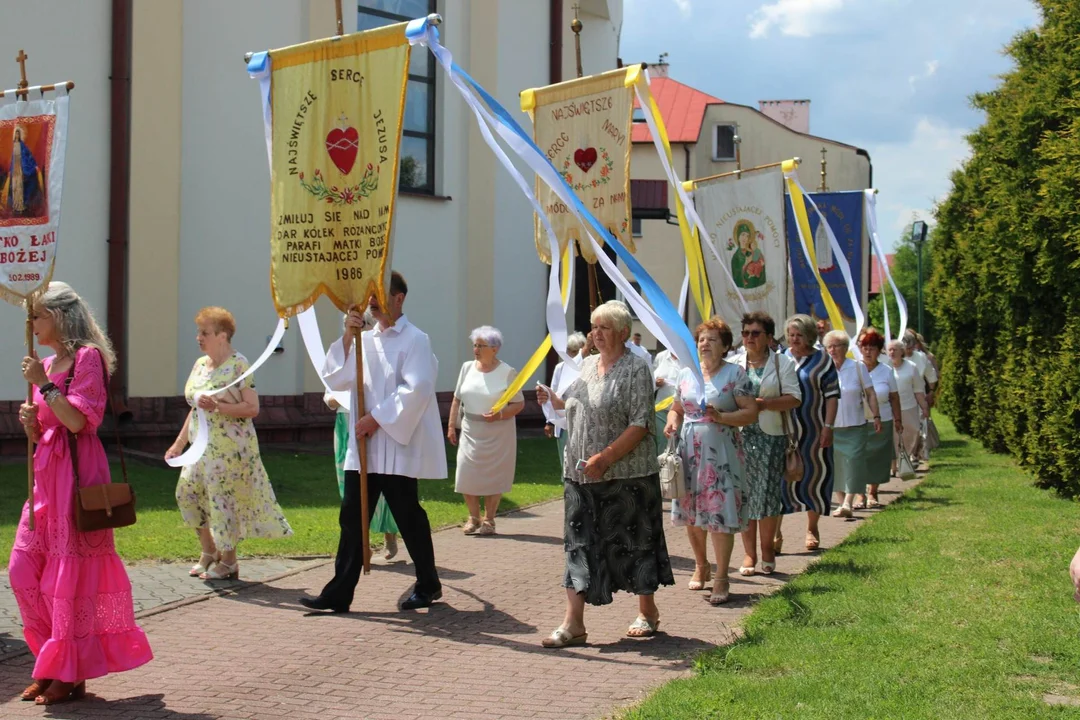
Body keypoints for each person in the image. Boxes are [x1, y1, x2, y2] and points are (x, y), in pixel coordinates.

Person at [13, 282, 152, 705]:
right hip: (44, 476)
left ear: (59, 316)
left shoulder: (87, 358)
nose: (32, 324)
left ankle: (69, 674)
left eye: (38, 315)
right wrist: (30, 423)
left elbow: (78, 422)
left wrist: (46, 387)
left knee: (66, 580)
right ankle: (52, 662)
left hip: (77, 477)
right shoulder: (49, 361)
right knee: (23, 572)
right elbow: (48, 429)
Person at [300, 271, 447, 612]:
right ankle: (339, 593)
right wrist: (348, 337)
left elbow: (418, 388)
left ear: (400, 299)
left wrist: (376, 419)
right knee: (352, 518)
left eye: (380, 299)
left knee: (408, 516)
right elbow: (337, 378)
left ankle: (428, 583)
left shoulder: (415, 340)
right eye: (370, 301)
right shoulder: (366, 340)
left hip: (396, 443)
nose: (373, 307)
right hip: (364, 447)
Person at [535, 300, 672, 646]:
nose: (596, 333)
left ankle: (647, 611)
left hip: (626, 474)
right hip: (581, 473)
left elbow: (640, 423)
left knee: (634, 544)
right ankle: (573, 624)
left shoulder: (636, 369)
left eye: (604, 327)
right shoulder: (585, 365)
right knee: (578, 545)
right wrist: (552, 399)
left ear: (623, 333)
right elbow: (575, 406)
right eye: (594, 326)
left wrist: (606, 457)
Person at [168, 307, 292, 580]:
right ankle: (209, 550)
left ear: (222, 336)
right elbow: (195, 408)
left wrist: (218, 406)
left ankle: (229, 561)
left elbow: (252, 408)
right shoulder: (200, 365)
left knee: (223, 500)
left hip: (231, 450)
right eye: (199, 332)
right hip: (200, 448)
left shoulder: (239, 365)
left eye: (205, 333)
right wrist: (179, 444)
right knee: (186, 494)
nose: (199, 338)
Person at [666, 317, 758, 603]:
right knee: (692, 512)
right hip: (689, 452)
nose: (704, 344)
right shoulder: (686, 373)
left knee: (718, 514)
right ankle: (700, 565)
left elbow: (751, 412)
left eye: (712, 339)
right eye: (701, 339)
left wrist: (723, 417)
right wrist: (671, 422)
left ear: (726, 346)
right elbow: (676, 408)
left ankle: (721, 577)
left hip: (721, 453)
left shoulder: (735, 374)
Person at [736, 312, 800, 576]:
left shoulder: (781, 363)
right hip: (740, 437)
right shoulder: (734, 362)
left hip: (771, 437)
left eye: (755, 333)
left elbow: (794, 398)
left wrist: (763, 405)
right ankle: (749, 555)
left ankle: (768, 551)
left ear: (769, 338)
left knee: (769, 496)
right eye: (745, 333)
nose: (749, 338)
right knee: (746, 497)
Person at [448, 326, 525, 536]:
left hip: (497, 433)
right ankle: (473, 517)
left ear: (495, 349)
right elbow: (457, 398)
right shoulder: (466, 368)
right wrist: (451, 426)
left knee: (494, 476)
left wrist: (500, 414)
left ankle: (489, 520)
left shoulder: (507, 372)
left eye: (481, 345)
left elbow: (518, 404)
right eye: (474, 345)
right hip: (470, 430)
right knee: (465, 474)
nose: (476, 349)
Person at [780, 314, 839, 551]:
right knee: (780, 480)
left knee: (816, 476)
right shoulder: (780, 358)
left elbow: (832, 396)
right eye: (791, 335)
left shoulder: (822, 360)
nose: (794, 339)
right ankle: (775, 532)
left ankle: (812, 528)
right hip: (783, 429)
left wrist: (828, 426)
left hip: (814, 428)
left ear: (810, 336)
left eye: (799, 335)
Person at [326, 390, 400, 560]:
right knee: (349, 488)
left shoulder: (369, 364)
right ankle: (361, 546)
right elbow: (328, 398)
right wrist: (339, 397)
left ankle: (389, 532)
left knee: (377, 480)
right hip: (344, 423)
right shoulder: (338, 368)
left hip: (368, 420)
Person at [823, 330, 881, 518]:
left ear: (846, 348)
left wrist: (877, 415)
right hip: (831, 426)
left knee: (854, 463)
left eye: (836, 346)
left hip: (855, 425)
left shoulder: (857, 367)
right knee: (837, 465)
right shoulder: (824, 369)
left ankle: (849, 501)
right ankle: (842, 504)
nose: (832, 350)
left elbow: (870, 393)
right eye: (829, 346)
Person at [857, 328, 902, 508]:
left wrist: (898, 420)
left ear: (879, 350)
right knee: (858, 457)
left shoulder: (886, 371)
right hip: (858, 420)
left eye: (872, 348)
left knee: (876, 458)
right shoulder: (854, 368)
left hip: (882, 420)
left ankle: (872, 492)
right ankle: (859, 495)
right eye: (865, 347)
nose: (868, 352)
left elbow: (894, 397)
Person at [544, 332, 587, 467]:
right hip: (563, 420)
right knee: (565, 461)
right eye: (569, 350)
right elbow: (553, 393)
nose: (571, 354)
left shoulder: (587, 367)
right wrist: (549, 422)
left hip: (583, 419)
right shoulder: (560, 368)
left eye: (575, 351)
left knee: (581, 459)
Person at [888, 339, 929, 467]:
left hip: (909, 407)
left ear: (902, 352)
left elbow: (918, 389)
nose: (892, 352)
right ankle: (895, 463)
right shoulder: (885, 367)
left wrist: (924, 407)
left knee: (913, 432)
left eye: (895, 349)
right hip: (890, 408)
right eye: (890, 349)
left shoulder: (911, 367)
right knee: (893, 436)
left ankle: (906, 456)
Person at [2, 125, 46, 217]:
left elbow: (28, 158)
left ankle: (25, 205)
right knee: (16, 190)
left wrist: (33, 167)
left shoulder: (23, 147)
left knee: (29, 186)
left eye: (18, 134)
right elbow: (14, 161)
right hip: (17, 174)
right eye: (16, 135)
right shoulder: (15, 147)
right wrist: (11, 171)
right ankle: (18, 207)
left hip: (26, 172)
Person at [652, 345, 681, 453]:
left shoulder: (687, 358)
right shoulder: (661, 356)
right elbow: (651, 378)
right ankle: (660, 467)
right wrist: (656, 383)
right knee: (661, 441)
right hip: (660, 408)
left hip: (679, 411)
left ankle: (676, 468)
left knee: (675, 442)